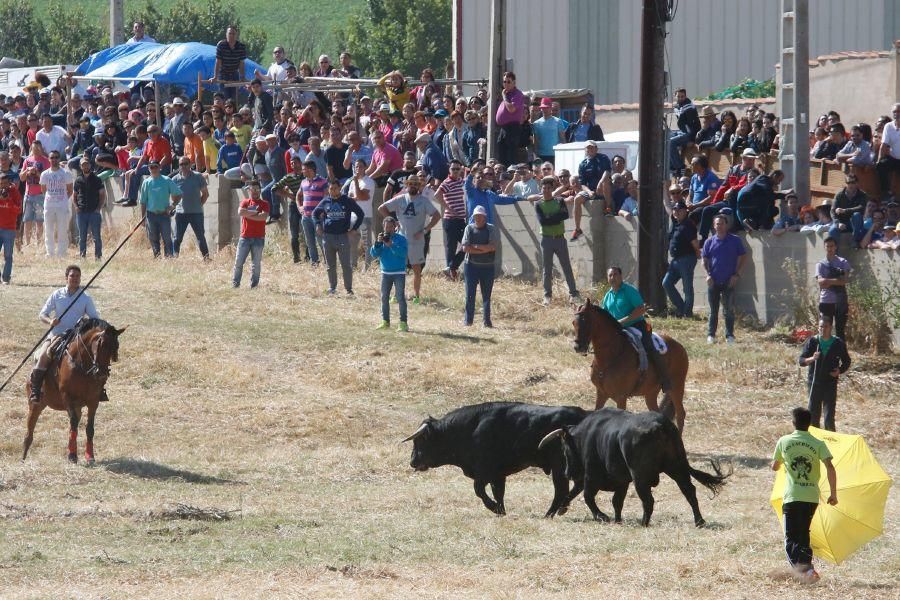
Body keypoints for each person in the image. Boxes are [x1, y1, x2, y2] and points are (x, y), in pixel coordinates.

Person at [771, 407, 838, 584]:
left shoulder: (784, 441)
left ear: (793, 423)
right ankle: (808, 568)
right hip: (811, 497)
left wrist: (781, 464)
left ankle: (803, 572)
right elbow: (830, 467)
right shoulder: (818, 443)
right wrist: (833, 494)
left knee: (791, 537)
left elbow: (775, 466)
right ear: (809, 424)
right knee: (803, 534)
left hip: (792, 497)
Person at [29, 265, 101, 404]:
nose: (74, 279)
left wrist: (89, 323)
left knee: (95, 358)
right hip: (57, 335)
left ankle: (98, 390)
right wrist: (51, 321)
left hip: (76, 336)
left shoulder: (85, 297)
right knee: (44, 355)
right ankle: (36, 390)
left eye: (77, 276)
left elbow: (94, 319)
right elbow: (42, 314)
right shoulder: (57, 294)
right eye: (72, 276)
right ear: (66, 277)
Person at [600, 266, 672, 396]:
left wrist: (622, 321)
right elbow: (604, 314)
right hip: (617, 329)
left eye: (615, 274)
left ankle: (665, 379)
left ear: (621, 276)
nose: (613, 278)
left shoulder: (629, 291)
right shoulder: (607, 296)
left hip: (636, 325)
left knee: (649, 346)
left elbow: (640, 309)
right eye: (610, 275)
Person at [379, 173, 441, 303]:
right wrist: (393, 221)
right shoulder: (401, 198)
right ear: (406, 185)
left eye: (415, 184)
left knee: (416, 270)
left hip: (416, 241)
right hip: (400, 240)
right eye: (410, 183)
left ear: (419, 186)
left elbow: (437, 215)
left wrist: (425, 230)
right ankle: (396, 296)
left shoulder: (424, 201)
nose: (413, 186)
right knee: (397, 270)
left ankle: (416, 296)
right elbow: (382, 208)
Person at [527, 176, 579, 304]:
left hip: (560, 238)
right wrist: (554, 218)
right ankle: (547, 296)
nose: (546, 190)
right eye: (544, 188)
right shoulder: (538, 203)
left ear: (552, 189)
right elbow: (543, 221)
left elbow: (565, 215)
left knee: (566, 267)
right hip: (547, 239)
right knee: (547, 269)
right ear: (541, 188)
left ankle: (573, 293)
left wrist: (550, 217)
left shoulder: (560, 200)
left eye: (549, 188)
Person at [798, 318, 851, 432]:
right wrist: (812, 358)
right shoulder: (812, 341)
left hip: (830, 383)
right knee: (813, 414)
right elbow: (801, 361)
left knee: (829, 415)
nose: (823, 329)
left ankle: (830, 441)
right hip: (814, 383)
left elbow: (847, 361)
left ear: (830, 328)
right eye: (821, 327)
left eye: (825, 327)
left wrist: (839, 370)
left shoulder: (838, 343)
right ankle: (813, 440)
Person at [314, 178, 364, 295]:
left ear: (340, 188)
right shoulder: (325, 201)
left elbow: (360, 214)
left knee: (346, 265)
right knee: (330, 265)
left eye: (335, 188)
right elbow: (315, 213)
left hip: (343, 236)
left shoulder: (347, 201)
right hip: (328, 237)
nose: (333, 191)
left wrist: (354, 229)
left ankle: (348, 289)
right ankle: (332, 288)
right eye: (331, 189)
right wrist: (318, 225)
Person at [702, 214, 747, 344]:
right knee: (713, 310)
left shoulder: (735, 240)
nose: (719, 226)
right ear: (714, 226)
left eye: (722, 223)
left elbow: (743, 257)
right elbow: (704, 260)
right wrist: (707, 274)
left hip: (729, 281)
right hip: (713, 281)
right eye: (717, 224)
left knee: (728, 310)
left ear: (726, 225)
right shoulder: (709, 242)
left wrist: (737, 274)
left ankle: (729, 335)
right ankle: (711, 335)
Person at [461, 205, 499, 327]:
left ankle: (487, 321)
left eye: (480, 216)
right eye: (476, 216)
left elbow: (493, 246)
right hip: (471, 266)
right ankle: (468, 320)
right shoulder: (469, 228)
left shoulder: (491, 229)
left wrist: (475, 247)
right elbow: (465, 248)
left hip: (487, 266)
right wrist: (482, 249)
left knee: (486, 295)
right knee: (470, 294)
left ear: (484, 217)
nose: (478, 218)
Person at [370, 216, 409, 332]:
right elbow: (374, 254)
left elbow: (403, 254)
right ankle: (385, 321)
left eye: (391, 227)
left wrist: (391, 245)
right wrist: (377, 243)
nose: (388, 229)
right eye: (386, 227)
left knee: (400, 297)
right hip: (385, 273)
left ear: (395, 227)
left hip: (399, 272)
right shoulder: (381, 239)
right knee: (384, 297)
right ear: (384, 227)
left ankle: (403, 323)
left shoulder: (401, 239)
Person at [662, 200, 700, 318]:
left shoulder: (687, 225)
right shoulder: (676, 224)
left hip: (687, 258)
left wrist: (698, 254)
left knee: (687, 287)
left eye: (679, 210)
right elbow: (668, 207)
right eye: (675, 210)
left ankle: (687, 314)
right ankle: (682, 309)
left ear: (685, 211)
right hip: (676, 260)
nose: (676, 212)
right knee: (666, 283)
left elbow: (694, 242)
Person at [139, 161, 182, 258]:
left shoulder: (167, 180)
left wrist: (173, 206)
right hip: (151, 215)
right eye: (151, 167)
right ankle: (157, 257)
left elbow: (178, 194)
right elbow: (143, 201)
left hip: (164, 215)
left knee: (167, 238)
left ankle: (169, 257)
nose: (153, 169)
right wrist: (142, 217)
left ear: (159, 168)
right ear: (149, 169)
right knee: (153, 238)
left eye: (155, 167)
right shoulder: (146, 182)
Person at [231, 179, 269, 288]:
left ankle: (254, 285)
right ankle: (235, 284)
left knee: (256, 264)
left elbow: (263, 217)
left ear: (260, 190)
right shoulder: (245, 202)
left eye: (257, 189)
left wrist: (248, 214)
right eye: (253, 189)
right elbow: (240, 212)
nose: (255, 191)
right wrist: (256, 213)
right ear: (249, 191)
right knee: (238, 262)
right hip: (245, 237)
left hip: (258, 238)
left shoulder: (264, 203)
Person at [434, 159, 467, 280]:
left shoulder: (460, 181)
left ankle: (451, 267)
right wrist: (448, 207)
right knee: (451, 247)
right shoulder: (447, 182)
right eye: (453, 169)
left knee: (467, 243)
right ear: (449, 169)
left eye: (458, 169)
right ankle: (451, 273)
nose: (455, 171)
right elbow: (437, 195)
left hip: (460, 219)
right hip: (451, 219)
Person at [171, 157, 210, 259]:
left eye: (185, 164)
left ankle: (206, 258)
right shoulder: (175, 179)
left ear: (190, 164)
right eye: (181, 164)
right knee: (177, 238)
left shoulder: (198, 177)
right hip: (181, 213)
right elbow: (173, 197)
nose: (183, 166)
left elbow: (205, 194)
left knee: (200, 237)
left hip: (196, 213)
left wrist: (198, 205)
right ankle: (175, 257)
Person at [39, 150, 74, 258]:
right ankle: (50, 253)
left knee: (62, 229)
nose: (54, 159)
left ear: (59, 159)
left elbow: (70, 190)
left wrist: (62, 199)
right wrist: (52, 198)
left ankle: (62, 253)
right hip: (49, 205)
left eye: (56, 157)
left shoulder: (66, 173)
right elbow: (43, 190)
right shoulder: (45, 174)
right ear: (49, 159)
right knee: (48, 230)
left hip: (62, 205)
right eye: (52, 157)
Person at [72, 158, 105, 260]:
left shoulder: (97, 179)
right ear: (81, 167)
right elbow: (74, 196)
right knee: (82, 237)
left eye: (87, 164)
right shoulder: (78, 180)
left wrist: (98, 208)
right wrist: (76, 207)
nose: (85, 166)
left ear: (90, 165)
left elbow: (102, 195)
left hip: (94, 212)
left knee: (97, 237)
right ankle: (83, 256)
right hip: (81, 212)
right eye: (83, 165)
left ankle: (98, 257)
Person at [495, 71, 526, 167]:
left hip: (512, 127)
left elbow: (511, 109)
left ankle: (511, 175)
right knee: (501, 154)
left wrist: (504, 97)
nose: (506, 84)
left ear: (514, 83)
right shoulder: (507, 94)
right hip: (503, 128)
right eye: (504, 82)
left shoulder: (517, 94)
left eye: (509, 82)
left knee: (511, 155)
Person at [669, 88, 701, 177]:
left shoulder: (689, 107)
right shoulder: (677, 107)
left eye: (682, 96)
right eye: (678, 96)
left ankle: (680, 166)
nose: (680, 98)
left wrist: (692, 139)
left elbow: (695, 125)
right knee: (665, 138)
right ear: (675, 97)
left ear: (685, 96)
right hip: (683, 132)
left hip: (689, 134)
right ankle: (672, 165)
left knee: (671, 142)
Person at [214, 26, 247, 103]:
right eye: (229, 33)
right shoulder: (221, 45)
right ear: (226, 34)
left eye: (233, 34)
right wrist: (215, 77)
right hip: (223, 74)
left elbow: (241, 64)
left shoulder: (241, 46)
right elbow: (218, 62)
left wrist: (242, 77)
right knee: (224, 97)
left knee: (233, 99)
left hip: (235, 74)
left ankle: (233, 114)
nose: (231, 36)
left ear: (237, 35)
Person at [0, 172, 21, 283]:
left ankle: (6, 278)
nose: (3, 186)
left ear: (9, 183)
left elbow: (18, 210)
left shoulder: (15, 193)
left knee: (8, 255)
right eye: (1, 183)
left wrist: (8, 200)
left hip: (9, 229)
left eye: (5, 183)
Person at [875, 103, 900, 198]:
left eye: (899, 111)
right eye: (894, 112)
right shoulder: (888, 126)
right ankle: (886, 192)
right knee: (881, 165)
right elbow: (884, 145)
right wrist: (879, 160)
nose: (896, 114)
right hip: (893, 158)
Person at [532, 97, 566, 164]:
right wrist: (535, 156)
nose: (545, 109)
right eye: (543, 108)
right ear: (541, 109)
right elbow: (535, 141)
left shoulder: (558, 121)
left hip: (556, 154)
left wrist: (564, 153)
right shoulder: (536, 123)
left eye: (547, 107)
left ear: (551, 108)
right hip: (541, 155)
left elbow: (562, 139)